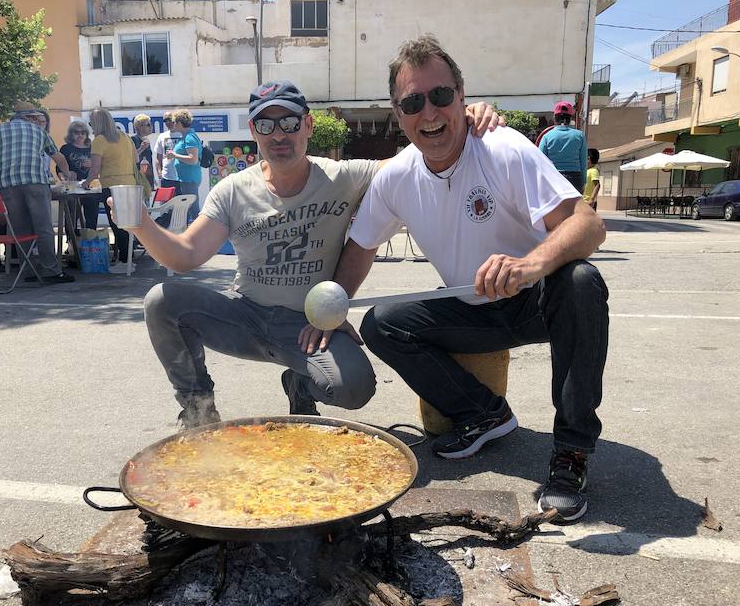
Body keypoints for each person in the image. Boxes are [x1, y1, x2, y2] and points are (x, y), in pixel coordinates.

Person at [337, 35, 608, 523]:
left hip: (535, 299)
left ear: (462, 96)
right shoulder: (395, 176)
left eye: (441, 96)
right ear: (398, 114)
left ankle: (572, 453)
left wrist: (530, 265)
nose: (430, 113)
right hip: (471, 304)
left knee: (583, 282)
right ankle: (485, 414)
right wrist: (333, 308)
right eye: (413, 102)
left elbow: (588, 223)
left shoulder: (501, 147)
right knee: (382, 323)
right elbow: (360, 248)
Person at [121, 80, 497, 429]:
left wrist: (457, 120)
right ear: (253, 133)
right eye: (265, 126)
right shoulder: (232, 190)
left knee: (355, 388)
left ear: (308, 126)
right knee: (161, 301)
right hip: (246, 316)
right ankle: (197, 407)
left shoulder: (344, 176)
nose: (278, 134)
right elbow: (185, 255)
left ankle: (301, 384)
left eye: (288, 122)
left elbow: (416, 160)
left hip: (309, 325)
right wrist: (141, 224)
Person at [0, 103, 74, 284]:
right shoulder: (39, 132)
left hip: (7, 184)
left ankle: (29, 270)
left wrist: (4, 167)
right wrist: (66, 175)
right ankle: (51, 271)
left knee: (20, 230)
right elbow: (58, 157)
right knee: (43, 227)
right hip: (35, 182)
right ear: (30, 117)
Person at [82, 108, 140, 267]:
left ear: (97, 124)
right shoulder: (125, 137)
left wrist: (84, 183)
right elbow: (136, 159)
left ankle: (124, 261)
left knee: (116, 224)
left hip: (112, 187)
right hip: (131, 184)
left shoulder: (99, 140)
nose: (91, 127)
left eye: (91, 123)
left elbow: (94, 171)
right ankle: (128, 258)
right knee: (127, 225)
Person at [59, 121, 101, 231]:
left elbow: (102, 165)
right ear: (71, 134)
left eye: (83, 132)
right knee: (71, 217)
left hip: (91, 187)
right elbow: (59, 168)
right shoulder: (65, 148)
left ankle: (89, 242)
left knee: (91, 217)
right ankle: (71, 244)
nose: (80, 135)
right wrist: (65, 177)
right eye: (76, 132)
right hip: (73, 188)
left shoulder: (93, 147)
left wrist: (93, 164)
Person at [538, 101, 587, 193]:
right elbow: (583, 161)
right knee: (574, 207)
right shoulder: (580, 136)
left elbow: (540, 161)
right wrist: (583, 182)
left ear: (554, 117)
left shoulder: (547, 136)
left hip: (554, 178)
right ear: (570, 118)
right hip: (575, 179)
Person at [165, 109, 202, 222]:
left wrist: (175, 155)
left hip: (189, 180)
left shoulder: (190, 137)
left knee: (193, 210)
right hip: (185, 179)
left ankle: (202, 235)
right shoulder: (185, 136)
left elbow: (193, 159)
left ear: (180, 123)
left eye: (174, 122)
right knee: (187, 209)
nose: (173, 124)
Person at [154, 110, 183, 193]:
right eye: (165, 120)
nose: (168, 122)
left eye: (169, 119)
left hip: (182, 178)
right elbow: (158, 158)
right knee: (166, 204)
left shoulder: (183, 134)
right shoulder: (162, 136)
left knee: (181, 204)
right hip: (166, 178)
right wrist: (160, 174)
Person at [131, 114, 155, 190]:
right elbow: (130, 158)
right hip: (139, 180)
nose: (151, 127)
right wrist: (141, 148)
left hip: (148, 179)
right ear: (139, 127)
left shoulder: (146, 140)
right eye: (148, 124)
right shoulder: (133, 140)